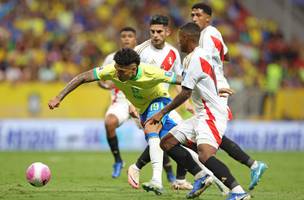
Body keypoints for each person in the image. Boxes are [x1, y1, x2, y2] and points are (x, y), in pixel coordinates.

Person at [48, 48, 215, 197]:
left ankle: (156, 180)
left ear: (134, 69)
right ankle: (203, 176)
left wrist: (212, 89)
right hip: (142, 108)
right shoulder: (112, 70)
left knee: (151, 127)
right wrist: (58, 97)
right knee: (169, 144)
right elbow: (83, 77)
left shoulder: (151, 72)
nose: (117, 74)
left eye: (122, 71)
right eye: (116, 69)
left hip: (159, 101)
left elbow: (184, 80)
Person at [147, 22, 251, 200]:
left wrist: (161, 113)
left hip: (211, 113)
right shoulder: (195, 56)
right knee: (167, 143)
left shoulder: (195, 58)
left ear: (188, 39)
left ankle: (238, 192)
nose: (178, 43)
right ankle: (201, 176)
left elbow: (186, 93)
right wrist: (215, 89)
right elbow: (205, 80)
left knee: (205, 155)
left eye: (180, 39)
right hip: (202, 113)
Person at [191, 2, 267, 190]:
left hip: (213, 90)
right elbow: (226, 55)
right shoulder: (215, 33)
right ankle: (253, 165)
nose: (194, 18)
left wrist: (215, 84)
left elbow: (204, 65)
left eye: (198, 15)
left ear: (209, 17)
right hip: (214, 88)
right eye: (192, 15)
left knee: (203, 143)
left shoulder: (206, 36)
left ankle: (225, 184)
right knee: (208, 136)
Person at [127, 14, 191, 190]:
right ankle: (169, 178)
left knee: (177, 136)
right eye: (152, 31)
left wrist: (186, 102)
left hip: (164, 102)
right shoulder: (140, 51)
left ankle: (173, 178)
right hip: (144, 104)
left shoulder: (173, 53)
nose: (155, 35)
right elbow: (127, 78)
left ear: (167, 32)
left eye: (159, 31)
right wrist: (130, 104)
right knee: (163, 138)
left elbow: (177, 80)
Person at [98, 27, 138, 178]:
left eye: (130, 36)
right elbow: (102, 79)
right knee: (109, 123)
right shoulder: (111, 58)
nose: (126, 39)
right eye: (123, 36)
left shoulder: (144, 56)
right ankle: (118, 161)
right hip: (120, 101)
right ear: (120, 39)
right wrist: (105, 85)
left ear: (136, 39)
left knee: (155, 133)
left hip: (140, 100)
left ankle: (168, 172)